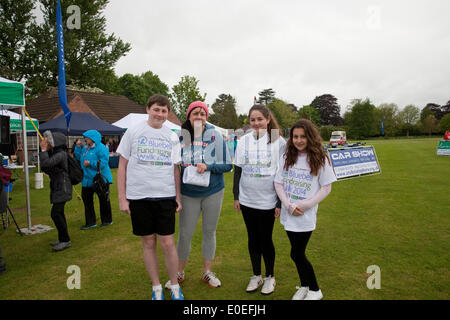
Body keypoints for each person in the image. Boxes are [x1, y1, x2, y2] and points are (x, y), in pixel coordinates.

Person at [116, 94, 184, 300]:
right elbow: (122, 166)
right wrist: (122, 198)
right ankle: (156, 287)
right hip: (139, 196)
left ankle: (174, 286)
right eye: (157, 109)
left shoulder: (172, 136)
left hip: (165, 195)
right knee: (147, 242)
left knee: (167, 243)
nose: (160, 114)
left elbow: (175, 170)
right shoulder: (133, 131)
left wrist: (177, 197)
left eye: (164, 111)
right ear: (148, 109)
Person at [170, 100, 232, 289]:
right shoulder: (181, 137)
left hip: (213, 191)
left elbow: (228, 165)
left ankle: (207, 272)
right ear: (188, 116)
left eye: (202, 113)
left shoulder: (215, 136)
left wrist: (208, 167)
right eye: (195, 113)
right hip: (188, 193)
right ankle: (179, 272)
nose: (199, 116)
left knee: (209, 231)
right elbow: (173, 166)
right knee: (185, 234)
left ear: (206, 117)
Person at [274, 119, 337, 300]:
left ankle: (315, 290)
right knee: (296, 252)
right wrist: (288, 205)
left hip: (304, 215)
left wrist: (304, 205)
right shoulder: (287, 156)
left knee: (297, 253)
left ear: (310, 137)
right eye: (295, 136)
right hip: (289, 212)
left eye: (303, 136)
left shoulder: (319, 158)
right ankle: (304, 286)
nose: (299, 140)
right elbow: (278, 183)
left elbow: (326, 188)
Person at [233, 104, 286, 295]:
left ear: (268, 119)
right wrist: (236, 196)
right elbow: (238, 169)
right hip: (247, 199)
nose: (256, 123)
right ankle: (256, 275)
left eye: (259, 119)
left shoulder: (278, 142)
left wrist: (279, 202)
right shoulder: (244, 140)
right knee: (252, 239)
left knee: (265, 239)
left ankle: (270, 277)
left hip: (268, 200)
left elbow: (283, 173)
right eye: (252, 120)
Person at [39, 131, 73, 252]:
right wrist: (44, 150)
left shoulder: (61, 154)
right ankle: (62, 238)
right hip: (59, 186)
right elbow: (44, 166)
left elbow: (47, 163)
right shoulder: (55, 153)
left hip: (62, 187)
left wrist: (43, 150)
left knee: (56, 213)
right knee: (59, 213)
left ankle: (65, 240)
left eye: (49, 141)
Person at [74, 130, 113, 229]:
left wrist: (90, 163)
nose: (84, 139)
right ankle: (90, 222)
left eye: (86, 137)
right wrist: (78, 147)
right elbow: (78, 158)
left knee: (104, 200)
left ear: (92, 138)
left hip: (100, 179)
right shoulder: (85, 148)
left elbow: (103, 163)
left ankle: (107, 220)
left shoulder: (101, 148)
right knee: (87, 201)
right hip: (87, 179)